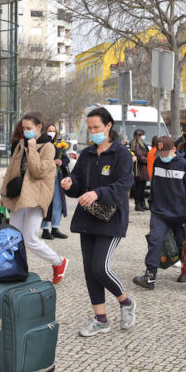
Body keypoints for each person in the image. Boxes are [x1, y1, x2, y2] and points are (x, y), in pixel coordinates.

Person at [60, 107, 136, 337]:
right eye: (90, 128)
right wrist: (69, 183)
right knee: (89, 270)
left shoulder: (121, 154)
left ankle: (125, 301)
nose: (93, 132)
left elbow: (123, 187)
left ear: (108, 126)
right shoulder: (87, 154)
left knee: (100, 267)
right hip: (87, 218)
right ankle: (100, 318)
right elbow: (80, 183)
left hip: (111, 219)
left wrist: (99, 193)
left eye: (97, 128)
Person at [1, 112, 68, 285]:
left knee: (30, 238)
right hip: (18, 194)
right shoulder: (21, 144)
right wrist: (3, 193)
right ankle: (14, 269)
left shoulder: (48, 147)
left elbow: (38, 170)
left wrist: (32, 148)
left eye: (29, 128)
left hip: (36, 196)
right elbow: (12, 169)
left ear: (39, 127)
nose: (25, 131)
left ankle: (58, 262)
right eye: (23, 128)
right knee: (13, 236)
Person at [133, 136, 186, 290]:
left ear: (173, 150)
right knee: (154, 240)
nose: (162, 156)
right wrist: (152, 202)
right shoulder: (158, 161)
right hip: (159, 212)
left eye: (165, 153)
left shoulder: (183, 165)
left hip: (179, 214)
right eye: (160, 153)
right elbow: (155, 184)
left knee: (182, 244)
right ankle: (150, 276)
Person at [41, 124, 69, 240]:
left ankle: (55, 227)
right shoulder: (42, 145)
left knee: (57, 202)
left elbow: (66, 159)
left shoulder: (59, 146)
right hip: (46, 177)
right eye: (49, 131)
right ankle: (45, 228)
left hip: (57, 177)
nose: (51, 133)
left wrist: (61, 161)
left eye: (53, 131)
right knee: (47, 203)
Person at [130, 129, 150, 212]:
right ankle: (138, 204)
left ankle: (142, 203)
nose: (144, 137)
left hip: (143, 169)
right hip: (139, 168)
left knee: (142, 187)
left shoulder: (142, 144)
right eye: (142, 135)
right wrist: (148, 160)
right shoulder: (135, 144)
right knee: (138, 187)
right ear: (139, 136)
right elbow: (140, 156)